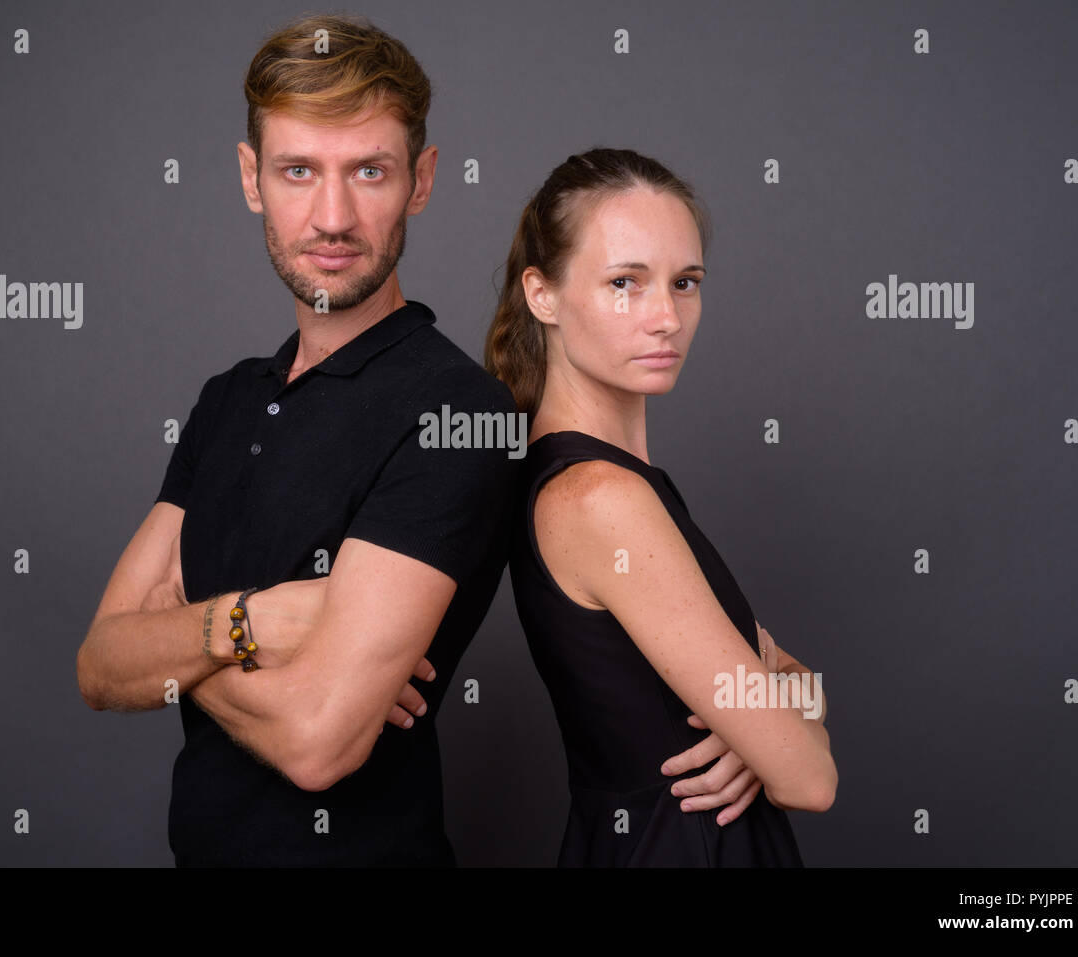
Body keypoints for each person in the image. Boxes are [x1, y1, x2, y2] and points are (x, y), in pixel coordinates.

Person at [76, 14, 519, 866]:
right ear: (251, 179)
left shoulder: (462, 413)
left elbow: (320, 742)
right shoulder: (227, 401)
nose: (333, 215)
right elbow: (99, 664)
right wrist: (253, 622)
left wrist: (184, 634)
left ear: (421, 180)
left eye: (369, 171)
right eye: (297, 171)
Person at [484, 148, 837, 866]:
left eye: (685, 282)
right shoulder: (601, 498)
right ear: (542, 294)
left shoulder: (616, 485)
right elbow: (811, 777)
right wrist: (773, 724)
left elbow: (796, 692)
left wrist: (768, 717)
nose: (666, 317)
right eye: (624, 282)